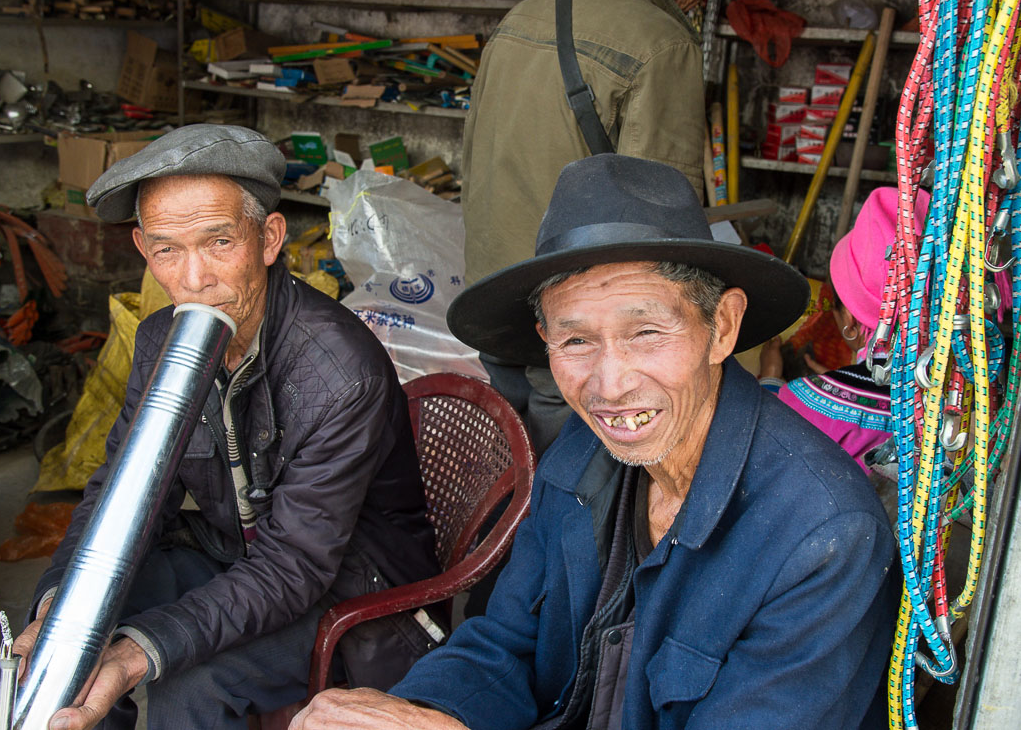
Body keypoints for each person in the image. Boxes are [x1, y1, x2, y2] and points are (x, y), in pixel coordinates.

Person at [289, 155, 898, 730]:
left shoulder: (824, 535)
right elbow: (505, 644)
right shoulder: (581, 456)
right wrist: (424, 711)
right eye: (576, 341)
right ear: (544, 338)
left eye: (647, 332)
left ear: (724, 328)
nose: (610, 386)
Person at [0, 125, 440, 730]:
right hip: (238, 553)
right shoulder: (161, 341)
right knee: (77, 634)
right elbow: (122, 493)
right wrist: (59, 608)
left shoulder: (338, 372)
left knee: (189, 679)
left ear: (268, 239)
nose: (194, 278)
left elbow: (294, 567)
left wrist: (139, 655)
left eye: (219, 242)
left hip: (349, 585)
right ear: (145, 251)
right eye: (168, 250)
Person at [462, 0, 708, 456]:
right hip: (579, 291)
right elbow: (656, 205)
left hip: (496, 274)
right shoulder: (661, 42)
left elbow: (473, 145)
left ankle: (506, 524)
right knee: (577, 452)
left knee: (507, 440)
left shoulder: (522, 14)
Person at [759, 186, 931, 474]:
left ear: (850, 321)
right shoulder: (959, 392)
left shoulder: (805, 402)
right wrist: (843, 379)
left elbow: (763, 443)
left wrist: (770, 378)